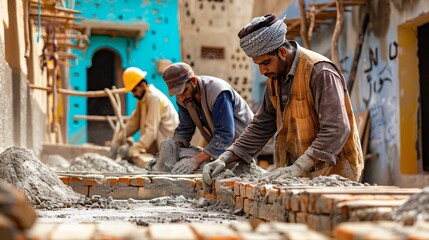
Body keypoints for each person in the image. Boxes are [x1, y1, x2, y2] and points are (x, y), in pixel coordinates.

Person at [202, 13, 364, 189]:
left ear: (282, 52)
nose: (263, 71)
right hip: (299, 175)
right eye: (258, 65)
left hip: (333, 174)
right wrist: (225, 158)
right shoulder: (275, 78)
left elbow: (336, 128)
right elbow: (261, 126)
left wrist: (301, 165)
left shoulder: (320, 72)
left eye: (265, 63)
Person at [151, 62, 256, 174]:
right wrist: (167, 154)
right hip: (221, 147)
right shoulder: (183, 98)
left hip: (243, 145)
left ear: (193, 81)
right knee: (181, 155)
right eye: (177, 94)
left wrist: (195, 161)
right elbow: (185, 130)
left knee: (224, 173)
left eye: (183, 91)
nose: (181, 97)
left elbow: (225, 135)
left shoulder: (218, 91)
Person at [110, 67, 179, 167]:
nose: (133, 94)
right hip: (159, 144)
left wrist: (136, 148)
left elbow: (151, 129)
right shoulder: (142, 100)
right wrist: (119, 139)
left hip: (168, 145)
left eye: (134, 90)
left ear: (142, 85)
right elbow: (133, 122)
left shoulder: (154, 98)